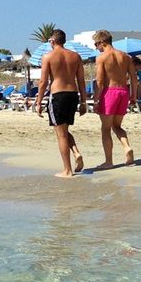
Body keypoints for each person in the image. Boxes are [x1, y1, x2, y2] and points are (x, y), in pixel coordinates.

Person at [34, 29, 87, 177]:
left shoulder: (48, 57)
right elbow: (81, 81)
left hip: (58, 95)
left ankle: (67, 170)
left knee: (61, 135)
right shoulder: (75, 56)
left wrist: (38, 102)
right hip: (72, 95)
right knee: (64, 130)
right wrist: (83, 102)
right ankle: (76, 152)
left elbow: (43, 81)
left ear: (52, 41)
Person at [92, 30, 136, 169]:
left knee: (105, 129)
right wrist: (133, 95)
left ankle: (108, 161)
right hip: (123, 92)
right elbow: (134, 78)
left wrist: (96, 100)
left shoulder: (102, 58)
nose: (96, 48)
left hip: (109, 93)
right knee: (117, 126)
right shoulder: (125, 56)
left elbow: (99, 81)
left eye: (96, 44)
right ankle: (126, 146)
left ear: (102, 42)